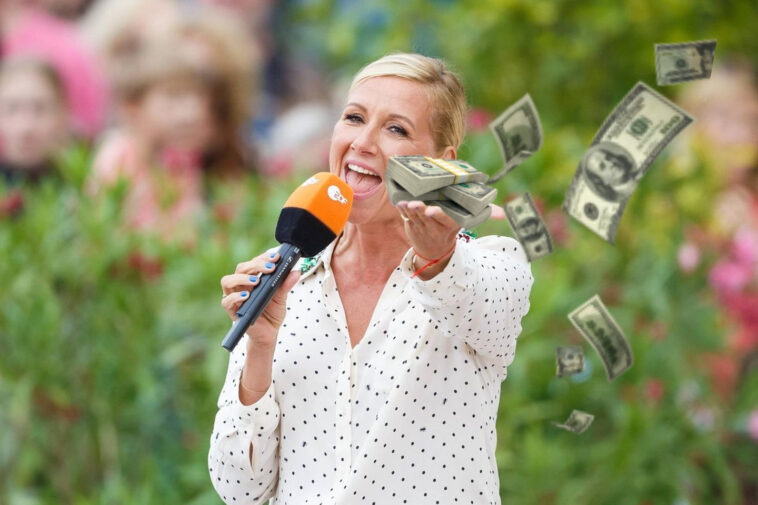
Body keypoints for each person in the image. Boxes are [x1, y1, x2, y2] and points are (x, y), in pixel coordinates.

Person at [208, 53, 533, 504]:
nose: (362, 142)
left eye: (395, 129)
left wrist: (438, 255)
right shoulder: (284, 281)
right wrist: (260, 348)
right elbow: (239, 491)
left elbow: (481, 306)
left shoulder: (490, 265)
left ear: (440, 163)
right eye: (354, 118)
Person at [0, 56, 69, 184]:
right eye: (12, 109)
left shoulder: (81, 182)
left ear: (62, 113)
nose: (26, 127)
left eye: (39, 109)